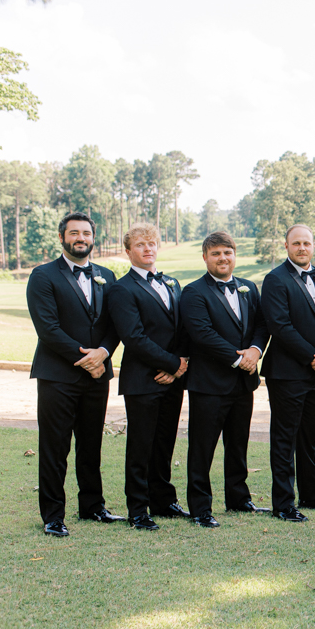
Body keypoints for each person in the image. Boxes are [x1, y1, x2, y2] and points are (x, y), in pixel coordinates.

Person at [26, 212, 124, 537]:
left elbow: (115, 324)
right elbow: (48, 329)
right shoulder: (43, 276)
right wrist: (87, 358)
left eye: (86, 233)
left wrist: (104, 353)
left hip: (98, 377)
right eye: (74, 233)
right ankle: (53, 516)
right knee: (55, 447)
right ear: (62, 238)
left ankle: (93, 507)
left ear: (94, 237)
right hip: (57, 376)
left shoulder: (107, 276)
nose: (80, 238)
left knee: (91, 444)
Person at [180, 232, 270, 528]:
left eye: (228, 253)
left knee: (238, 444)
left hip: (243, 383)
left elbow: (260, 325)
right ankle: (200, 508)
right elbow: (202, 334)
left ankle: (238, 498)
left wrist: (256, 351)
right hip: (209, 384)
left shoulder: (248, 288)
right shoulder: (193, 292)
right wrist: (239, 358)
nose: (223, 258)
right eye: (216, 253)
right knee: (202, 448)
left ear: (235, 256)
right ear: (205, 257)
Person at [106, 223, 190, 531]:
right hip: (142, 379)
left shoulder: (172, 283)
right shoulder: (121, 289)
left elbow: (183, 328)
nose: (148, 248)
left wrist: (180, 364)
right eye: (141, 244)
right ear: (128, 251)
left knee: (165, 442)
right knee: (141, 445)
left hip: (173, 377)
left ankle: (163, 501)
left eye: (152, 243)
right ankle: (138, 509)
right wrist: (171, 363)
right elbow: (134, 337)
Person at [260, 224, 315, 523]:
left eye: (307, 243)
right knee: (285, 437)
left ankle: (311, 494)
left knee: (309, 436)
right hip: (287, 372)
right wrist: (312, 357)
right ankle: (283, 503)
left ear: (313, 246)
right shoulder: (275, 279)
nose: (302, 248)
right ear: (286, 245)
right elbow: (279, 326)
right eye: (296, 243)